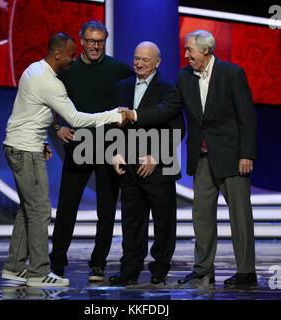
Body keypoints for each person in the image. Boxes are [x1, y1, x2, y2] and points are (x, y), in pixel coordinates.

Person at [121, 30, 258, 289]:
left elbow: (247, 117)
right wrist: (136, 115)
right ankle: (203, 271)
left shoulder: (232, 73)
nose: (185, 55)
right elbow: (168, 108)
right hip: (202, 159)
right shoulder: (185, 77)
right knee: (202, 218)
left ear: (205, 50)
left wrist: (246, 154)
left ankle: (246, 273)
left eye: (189, 50)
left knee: (239, 216)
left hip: (231, 157)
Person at [1, 33, 126, 287]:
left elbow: (31, 113)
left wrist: (45, 138)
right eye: (70, 55)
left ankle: (14, 267)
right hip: (26, 150)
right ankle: (38, 272)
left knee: (28, 209)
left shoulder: (33, 69)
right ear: (57, 54)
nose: (72, 60)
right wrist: (113, 115)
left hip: (21, 145)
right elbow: (77, 120)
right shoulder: (51, 83)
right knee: (39, 211)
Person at [49, 21, 134, 282]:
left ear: (104, 41)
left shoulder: (119, 69)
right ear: (82, 40)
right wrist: (56, 127)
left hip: (109, 147)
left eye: (100, 41)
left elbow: (136, 95)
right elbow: (45, 97)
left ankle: (98, 264)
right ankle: (57, 264)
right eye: (90, 40)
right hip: (79, 145)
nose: (95, 46)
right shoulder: (68, 69)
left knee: (106, 210)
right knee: (66, 208)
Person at [109, 42, 185, 286]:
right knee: (132, 222)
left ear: (157, 63)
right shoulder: (121, 87)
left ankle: (159, 269)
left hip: (159, 169)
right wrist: (115, 153)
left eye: (145, 59)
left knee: (164, 222)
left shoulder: (168, 89)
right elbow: (112, 124)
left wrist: (156, 157)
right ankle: (129, 270)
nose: (139, 63)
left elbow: (178, 129)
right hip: (129, 167)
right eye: (136, 58)